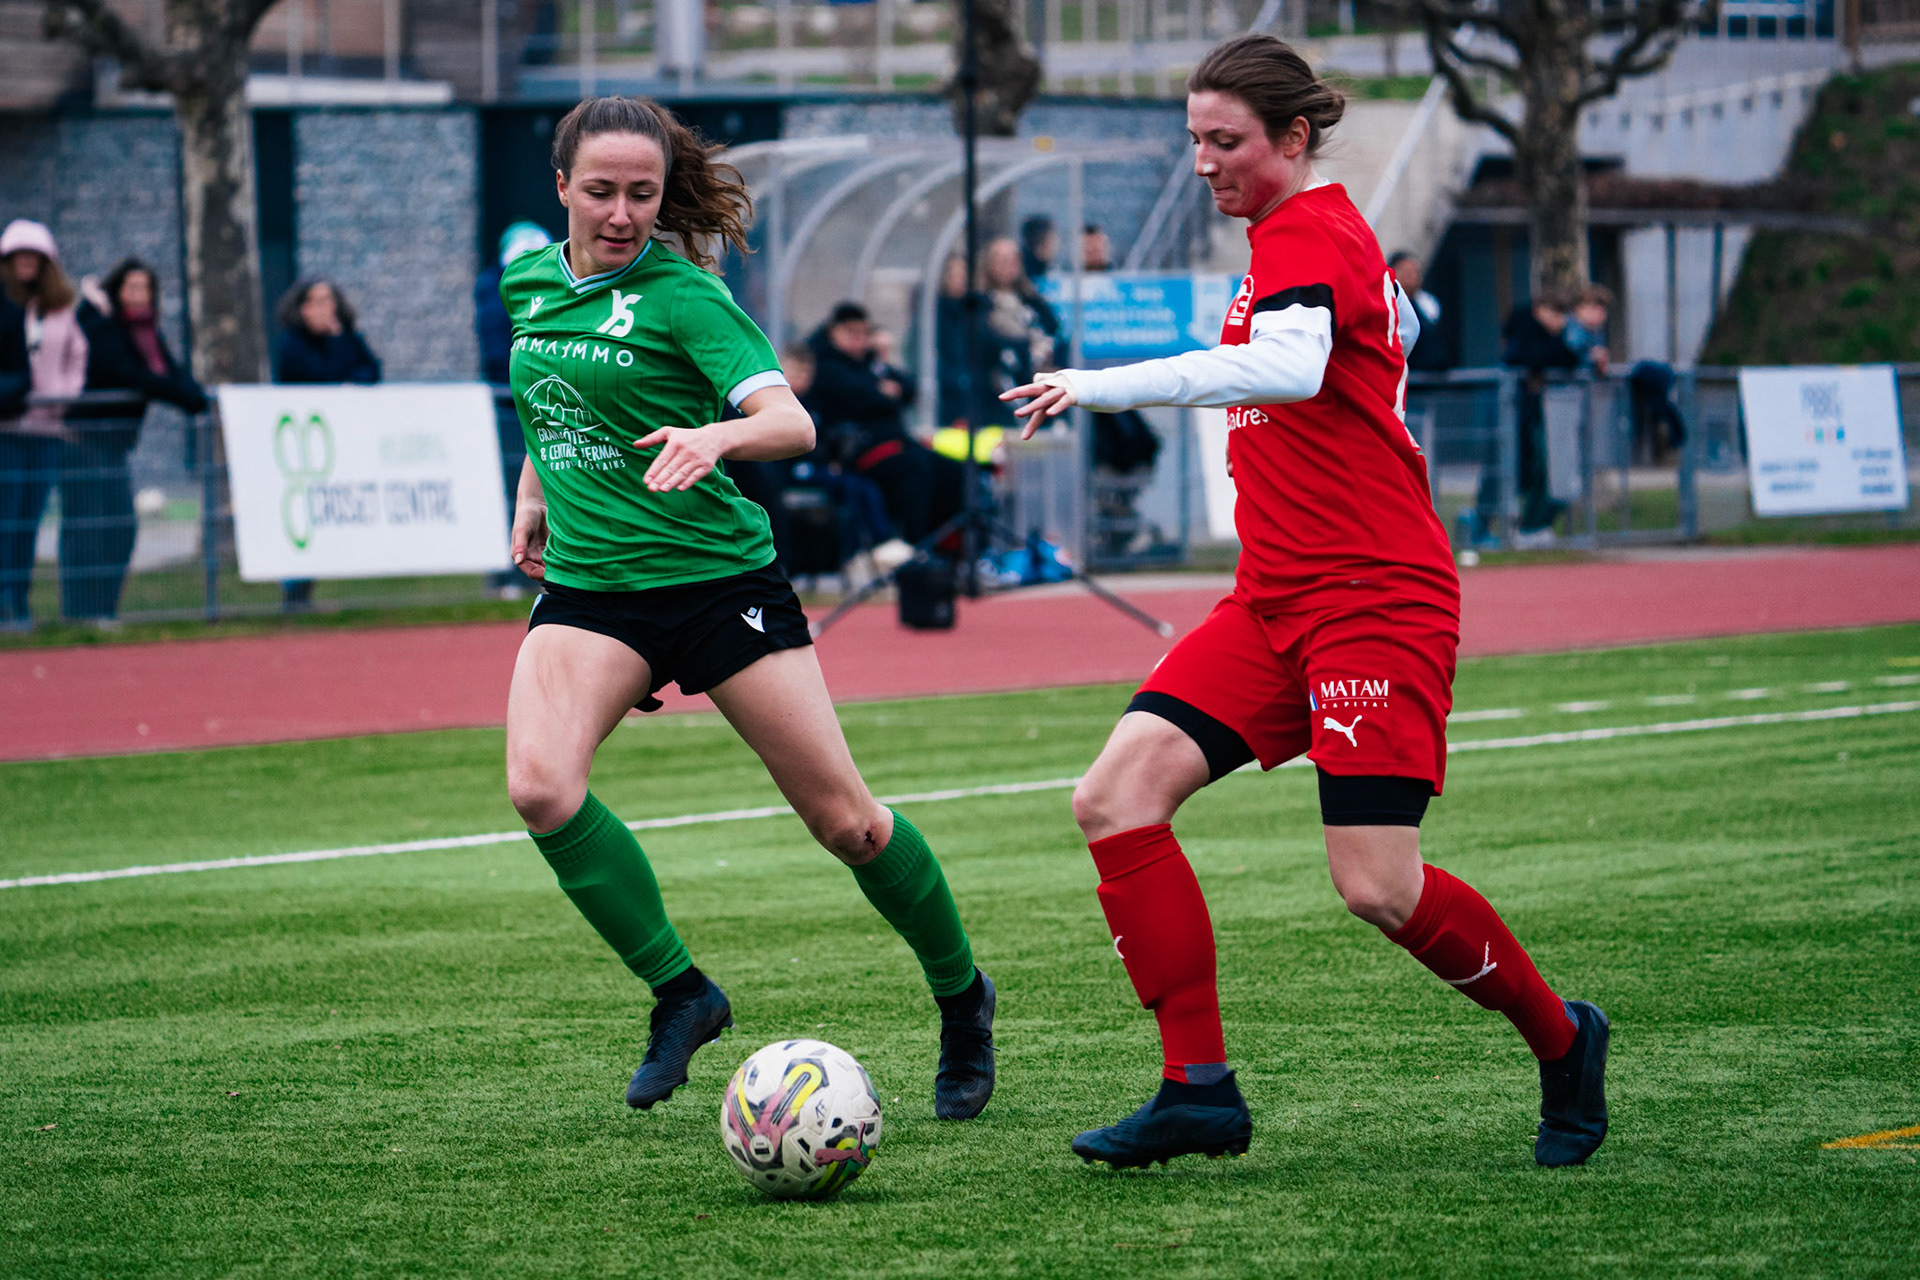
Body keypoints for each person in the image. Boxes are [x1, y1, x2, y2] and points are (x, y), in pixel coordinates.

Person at [1002, 34, 1607, 1171]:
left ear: (1292, 138)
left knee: (1376, 884)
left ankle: (1564, 1039)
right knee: (1116, 795)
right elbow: (1376, 339)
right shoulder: (1296, 239)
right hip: (1273, 599)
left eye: (1223, 142)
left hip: (1374, 598)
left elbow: (1283, 366)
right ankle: (1198, 1088)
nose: (1202, 164)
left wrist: (1097, 382)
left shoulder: (1311, 231)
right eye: (1193, 141)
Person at [499, 95, 995, 1119]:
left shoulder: (684, 296)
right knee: (542, 787)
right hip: (595, 592)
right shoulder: (528, 283)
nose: (624, 212)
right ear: (560, 187)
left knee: (849, 823)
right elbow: (549, 396)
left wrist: (717, 439)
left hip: (721, 582)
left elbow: (794, 420)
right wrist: (536, 484)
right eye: (601, 191)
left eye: (643, 192)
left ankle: (962, 994)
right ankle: (683, 992)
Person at [66, 259, 206, 622]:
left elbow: (168, 372)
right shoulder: (104, 326)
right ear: (117, 291)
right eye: (131, 288)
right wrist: (180, 393)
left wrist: (194, 396)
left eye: (145, 288)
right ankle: (80, 613)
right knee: (89, 531)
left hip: (116, 445)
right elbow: (132, 375)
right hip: (83, 439)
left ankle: (104, 610)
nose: (139, 295)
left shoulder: (146, 334)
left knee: (119, 529)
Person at [806, 300, 964, 546]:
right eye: (851, 333)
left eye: (864, 334)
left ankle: (946, 549)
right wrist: (882, 391)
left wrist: (883, 370)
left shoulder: (870, 363)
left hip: (895, 442)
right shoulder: (825, 365)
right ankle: (914, 548)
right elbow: (866, 398)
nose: (859, 340)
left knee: (953, 470)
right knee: (915, 468)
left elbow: (909, 387)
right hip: (858, 450)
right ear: (834, 332)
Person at [272, 279, 382, 609]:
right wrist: (341, 362)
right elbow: (322, 376)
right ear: (300, 308)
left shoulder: (346, 337)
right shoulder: (290, 344)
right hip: (301, 449)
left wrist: (339, 341)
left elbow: (371, 371)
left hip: (341, 445)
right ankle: (295, 593)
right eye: (316, 301)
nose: (325, 308)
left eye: (329, 300)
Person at [0, 220, 87, 627]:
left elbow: (76, 356)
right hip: (7, 427)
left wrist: (61, 397)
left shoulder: (59, 310)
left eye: (34, 257)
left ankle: (21, 600)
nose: (26, 263)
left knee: (30, 521)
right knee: (6, 517)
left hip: (46, 428)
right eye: (19, 256)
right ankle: (4, 600)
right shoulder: (4, 307)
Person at [477, 222, 555, 598]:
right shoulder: (494, 294)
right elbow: (497, 346)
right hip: (510, 400)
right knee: (508, 490)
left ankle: (546, 564)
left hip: (544, 397)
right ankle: (506, 571)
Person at [1498, 289, 1580, 537]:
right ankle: (1526, 526)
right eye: (1554, 312)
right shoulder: (1524, 329)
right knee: (1532, 468)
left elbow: (1568, 358)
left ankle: (1535, 525)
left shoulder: (1556, 336)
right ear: (1539, 310)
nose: (1559, 319)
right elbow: (1522, 358)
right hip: (1523, 415)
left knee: (1552, 469)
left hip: (1544, 413)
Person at [1389, 249, 1452, 373]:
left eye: (1416, 272)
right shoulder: (1387, 301)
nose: (1413, 276)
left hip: (1432, 375)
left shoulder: (1428, 304)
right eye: (1407, 272)